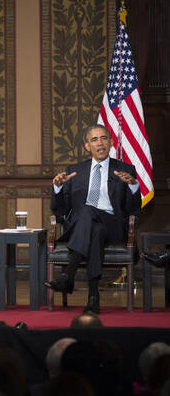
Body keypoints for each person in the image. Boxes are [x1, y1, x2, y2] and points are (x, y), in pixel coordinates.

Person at [45, 124, 141, 313]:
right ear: (88, 146)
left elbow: (133, 209)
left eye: (104, 138)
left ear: (111, 142)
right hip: (87, 228)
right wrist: (57, 188)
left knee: (88, 211)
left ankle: (68, 277)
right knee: (94, 229)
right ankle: (93, 296)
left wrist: (133, 186)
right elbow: (60, 211)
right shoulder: (75, 171)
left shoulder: (125, 169)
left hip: (114, 226)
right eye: (95, 139)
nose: (100, 143)